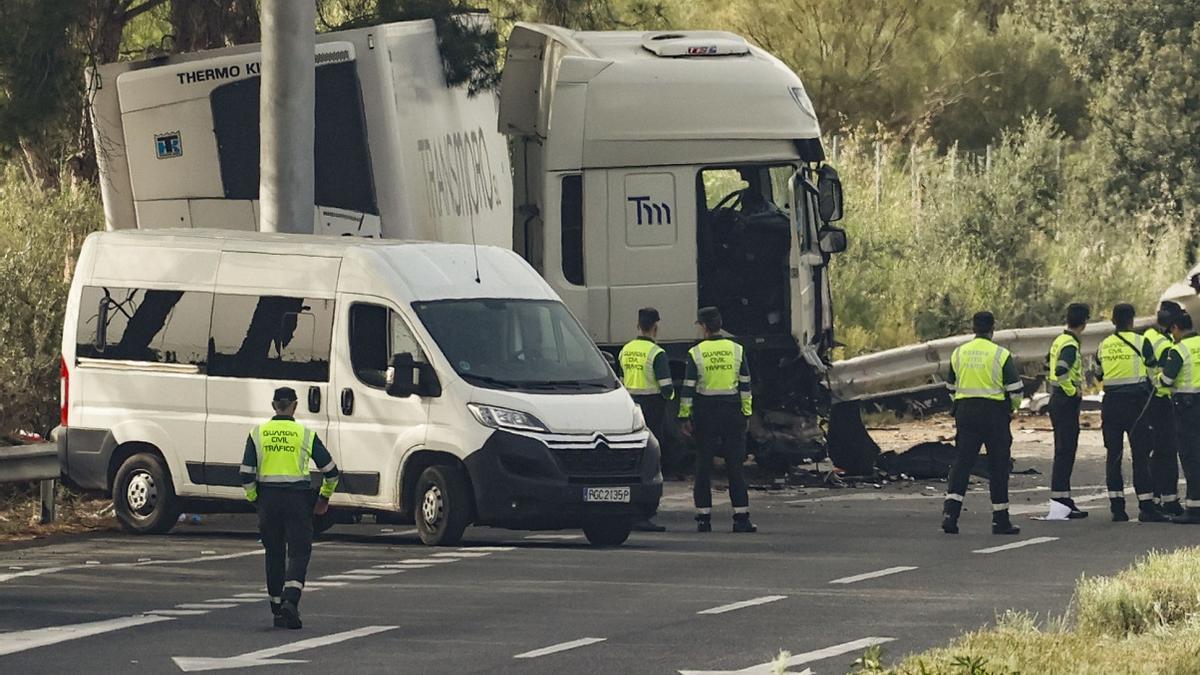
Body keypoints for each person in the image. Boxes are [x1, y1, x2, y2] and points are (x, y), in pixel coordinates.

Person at [241, 387, 340, 629]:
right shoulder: (304, 434)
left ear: (274, 405)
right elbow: (331, 472)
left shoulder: (258, 434)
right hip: (297, 501)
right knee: (298, 553)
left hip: (268, 500)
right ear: (295, 406)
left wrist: (256, 499)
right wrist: (323, 499)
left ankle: (277, 608)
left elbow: (246, 474)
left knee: (273, 553)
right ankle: (291, 601)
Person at [941, 311, 1024, 535]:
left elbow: (950, 387)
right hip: (994, 414)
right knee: (998, 466)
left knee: (962, 464)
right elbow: (1016, 390)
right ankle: (1000, 520)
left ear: (973, 328)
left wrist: (961, 403)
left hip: (965, 412)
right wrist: (1012, 408)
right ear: (992, 329)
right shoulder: (1000, 354)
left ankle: (950, 514)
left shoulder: (959, 353)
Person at [679, 306, 756, 533]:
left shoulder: (696, 353)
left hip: (706, 412)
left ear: (703, 327)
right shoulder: (737, 350)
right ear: (720, 325)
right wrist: (747, 413)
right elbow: (745, 385)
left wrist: (685, 416)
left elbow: (688, 389)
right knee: (735, 465)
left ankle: (704, 518)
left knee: (703, 465)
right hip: (732, 411)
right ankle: (741, 518)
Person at [1093, 304, 1167, 522]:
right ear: (1132, 320)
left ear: (1113, 321)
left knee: (1113, 455)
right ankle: (1146, 506)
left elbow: (1098, 375)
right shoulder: (1141, 342)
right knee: (1141, 456)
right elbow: (1154, 374)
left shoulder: (1104, 345)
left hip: (1111, 404)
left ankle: (1117, 508)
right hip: (1137, 406)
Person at [618, 307, 675, 532]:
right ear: (655, 327)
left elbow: (621, 380)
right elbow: (667, 389)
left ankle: (629, 508)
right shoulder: (657, 353)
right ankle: (646, 511)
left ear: (637, 325)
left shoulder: (625, 350)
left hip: (631, 408)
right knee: (652, 461)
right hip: (652, 409)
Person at [1046, 303, 1090, 518]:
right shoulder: (1070, 344)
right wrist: (1072, 391)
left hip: (1057, 400)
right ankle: (1060, 503)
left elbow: (1049, 363)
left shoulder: (1060, 340)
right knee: (1065, 451)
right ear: (1085, 322)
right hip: (1065, 401)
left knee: (1063, 450)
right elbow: (1060, 369)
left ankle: (1062, 499)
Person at [1158, 312, 1200, 524]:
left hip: (1188, 407)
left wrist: (1158, 377)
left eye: (1172, 331)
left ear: (1176, 327)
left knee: (1191, 457)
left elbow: (1166, 379)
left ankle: (1194, 509)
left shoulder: (1179, 349)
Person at [1146, 304, 1183, 515]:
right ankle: (1169, 500)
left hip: (1147, 402)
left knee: (1155, 452)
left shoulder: (1149, 336)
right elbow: (1166, 378)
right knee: (1167, 452)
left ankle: (1157, 498)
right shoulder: (1166, 345)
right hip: (1162, 402)